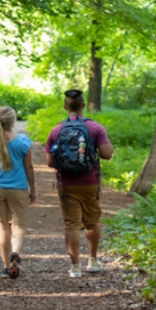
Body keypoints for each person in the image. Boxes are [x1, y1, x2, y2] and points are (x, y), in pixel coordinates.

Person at [44, 89, 113, 278]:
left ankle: (75, 267)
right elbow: (107, 155)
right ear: (83, 105)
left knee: (71, 225)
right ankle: (92, 260)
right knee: (92, 222)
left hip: (66, 184)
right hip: (91, 182)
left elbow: (50, 162)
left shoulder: (56, 130)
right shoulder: (95, 128)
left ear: (65, 107)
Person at [0, 106, 36, 279]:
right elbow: (28, 167)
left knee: (3, 228)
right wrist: (32, 189)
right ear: (13, 121)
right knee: (18, 226)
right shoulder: (23, 142)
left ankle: (6, 267)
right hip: (18, 189)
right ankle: (15, 253)